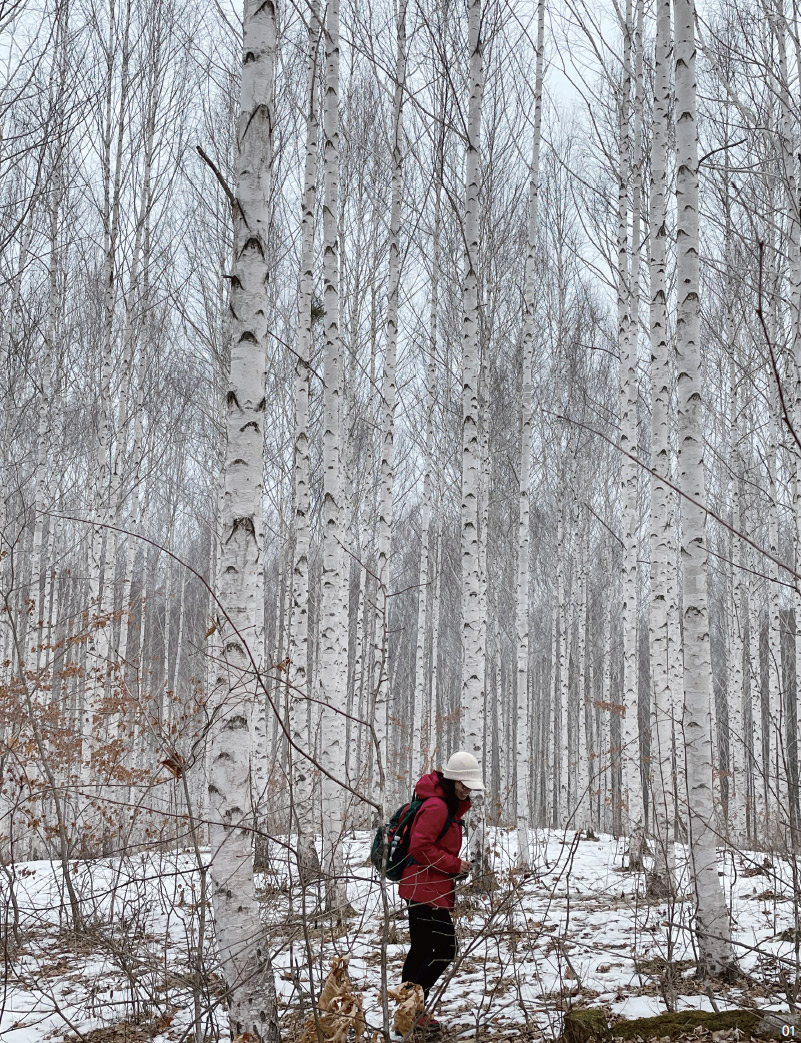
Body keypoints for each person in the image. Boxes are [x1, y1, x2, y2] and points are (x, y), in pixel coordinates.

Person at [398, 751, 484, 1033]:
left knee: (422, 949)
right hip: (425, 888)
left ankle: (408, 1011)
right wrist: (454, 864)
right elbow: (419, 848)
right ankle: (412, 1010)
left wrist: (454, 868)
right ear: (453, 780)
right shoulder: (437, 807)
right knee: (446, 949)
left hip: (427, 886)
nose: (468, 790)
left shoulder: (446, 806)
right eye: (464, 784)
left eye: (471, 786)